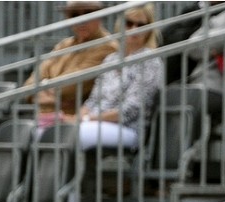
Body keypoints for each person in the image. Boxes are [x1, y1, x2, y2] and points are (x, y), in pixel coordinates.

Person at [71, 4, 165, 151]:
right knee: (56, 131)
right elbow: (93, 100)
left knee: (76, 133)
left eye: (140, 25)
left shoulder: (150, 61)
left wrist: (88, 119)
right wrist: (77, 117)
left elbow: (131, 110)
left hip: (127, 128)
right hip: (95, 122)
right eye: (129, 23)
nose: (134, 29)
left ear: (149, 29)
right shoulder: (111, 59)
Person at [23, 1, 117, 131]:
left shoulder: (107, 47)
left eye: (88, 13)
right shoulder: (64, 45)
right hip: (47, 118)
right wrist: (41, 94)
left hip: (76, 121)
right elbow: (30, 84)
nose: (81, 20)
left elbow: (70, 85)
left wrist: (41, 89)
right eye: (75, 14)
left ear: (100, 15)